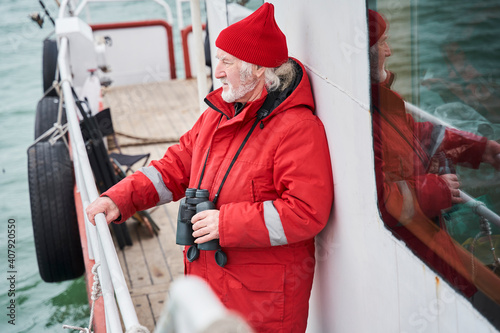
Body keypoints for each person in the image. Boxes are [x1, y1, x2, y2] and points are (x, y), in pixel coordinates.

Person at [86, 3, 334, 332]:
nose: (216, 71)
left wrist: (225, 223)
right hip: (209, 290)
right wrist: (120, 199)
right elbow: (174, 167)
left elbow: (307, 211)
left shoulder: (298, 128)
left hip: (261, 307)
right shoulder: (217, 114)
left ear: (257, 69)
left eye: (226, 62)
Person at [368, 9, 500, 297]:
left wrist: (479, 149)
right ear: (364, 54)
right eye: (383, 44)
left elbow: (421, 135)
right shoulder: (366, 115)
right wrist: (437, 188)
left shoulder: (377, 102)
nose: (390, 52)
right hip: (413, 247)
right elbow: (380, 202)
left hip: (423, 234)